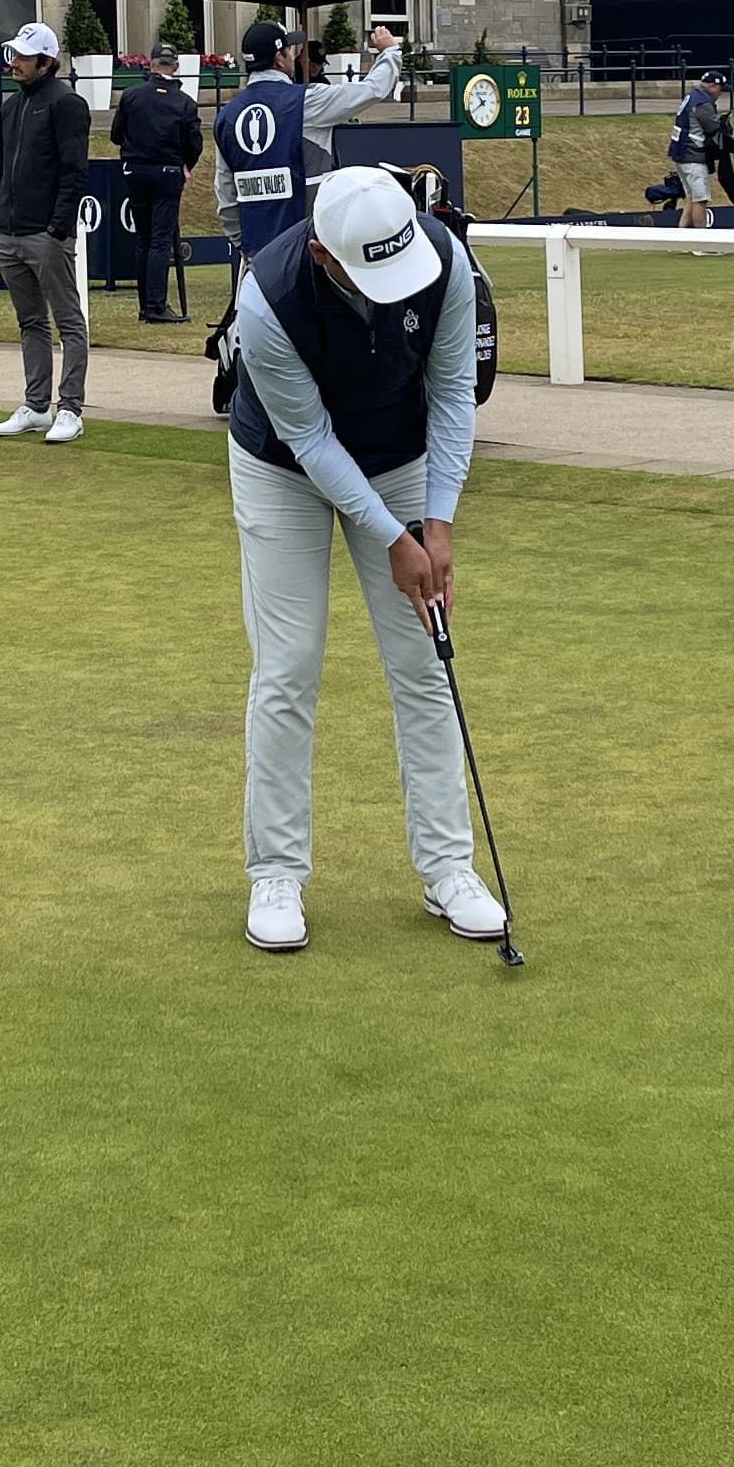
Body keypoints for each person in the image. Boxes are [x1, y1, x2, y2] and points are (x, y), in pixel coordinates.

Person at [230, 165, 502, 955]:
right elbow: (311, 439)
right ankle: (276, 871)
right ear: (324, 256)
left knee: (424, 660)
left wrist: (438, 523)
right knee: (289, 663)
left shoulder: (444, 262)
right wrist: (393, 536)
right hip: (282, 464)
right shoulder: (269, 296)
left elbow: (454, 393)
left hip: (399, 455)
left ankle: (448, 866)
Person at [213, 15, 404, 260]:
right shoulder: (306, 101)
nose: (293, 55)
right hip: (307, 244)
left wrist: (243, 244)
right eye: (289, 50)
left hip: (258, 252)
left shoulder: (226, 116)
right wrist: (390, 52)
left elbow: (226, 195)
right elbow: (372, 89)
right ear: (280, 59)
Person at [0, 21, 93, 443]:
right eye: (14, 54)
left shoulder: (66, 103)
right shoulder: (12, 106)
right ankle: (35, 405)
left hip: (46, 235)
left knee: (68, 322)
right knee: (30, 321)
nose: (15, 62)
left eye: (24, 56)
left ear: (46, 62)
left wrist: (57, 228)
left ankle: (70, 408)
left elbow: (74, 171)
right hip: (10, 232)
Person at [109, 38, 203, 324]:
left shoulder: (131, 96)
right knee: (161, 240)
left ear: (150, 64)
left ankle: (144, 305)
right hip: (167, 172)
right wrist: (184, 166)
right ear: (175, 66)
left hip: (135, 171)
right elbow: (194, 144)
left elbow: (115, 135)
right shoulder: (184, 103)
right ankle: (156, 305)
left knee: (144, 239)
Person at [668, 69, 731, 230]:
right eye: (720, 88)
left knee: (692, 197)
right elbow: (712, 126)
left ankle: (681, 236)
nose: (721, 93)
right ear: (712, 85)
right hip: (693, 155)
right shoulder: (702, 102)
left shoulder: (691, 96)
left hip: (680, 153)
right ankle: (701, 241)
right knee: (700, 199)